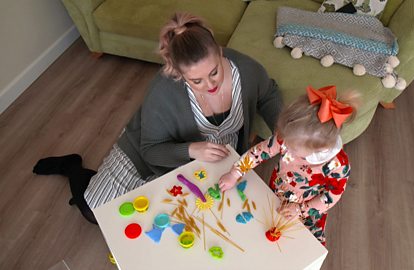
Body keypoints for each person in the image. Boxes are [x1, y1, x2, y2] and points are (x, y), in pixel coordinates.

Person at [33, 12, 283, 224]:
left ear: (219, 51)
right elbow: (151, 150)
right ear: (178, 73)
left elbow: (269, 93)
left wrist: (284, 133)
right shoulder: (163, 91)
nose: (210, 84)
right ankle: (72, 167)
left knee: (189, 214)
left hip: (207, 162)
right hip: (149, 151)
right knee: (94, 212)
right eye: (196, 81)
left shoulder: (246, 69)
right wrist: (192, 150)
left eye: (214, 72)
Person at [218, 85, 359, 245]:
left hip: (308, 210)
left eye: (293, 148)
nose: (285, 146)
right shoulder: (289, 136)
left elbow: (331, 197)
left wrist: (300, 210)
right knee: (264, 234)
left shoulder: (338, 164)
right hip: (277, 192)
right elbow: (259, 152)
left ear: (318, 148)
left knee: (305, 245)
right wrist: (235, 173)